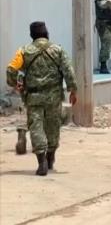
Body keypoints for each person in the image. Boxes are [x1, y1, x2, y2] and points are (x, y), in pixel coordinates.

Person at [6, 22, 77, 175]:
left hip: (33, 97)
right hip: (53, 97)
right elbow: (68, 71)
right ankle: (50, 157)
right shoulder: (58, 50)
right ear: (46, 34)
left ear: (32, 36)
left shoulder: (24, 51)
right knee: (53, 127)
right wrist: (73, 90)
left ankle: (41, 161)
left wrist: (15, 84)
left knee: (36, 126)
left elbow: (11, 69)